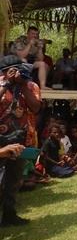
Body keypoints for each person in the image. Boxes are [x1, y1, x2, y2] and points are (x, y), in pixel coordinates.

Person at [0, 55, 43, 227]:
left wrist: (23, 85)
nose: (19, 73)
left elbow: (36, 108)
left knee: (15, 179)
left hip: (22, 141)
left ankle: (9, 214)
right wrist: (6, 85)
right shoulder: (1, 83)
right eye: (16, 70)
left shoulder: (31, 85)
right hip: (1, 142)